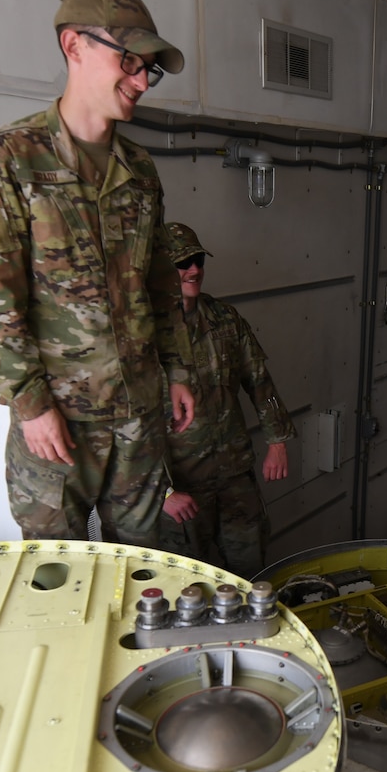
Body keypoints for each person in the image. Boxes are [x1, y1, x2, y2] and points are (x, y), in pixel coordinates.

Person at [0, 0, 196, 545]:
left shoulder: (138, 169)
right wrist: (31, 403)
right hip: (58, 420)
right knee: (57, 571)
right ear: (74, 45)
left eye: (149, 69)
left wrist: (178, 370)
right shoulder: (9, 157)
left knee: (138, 566)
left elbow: (160, 282)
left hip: (138, 412)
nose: (140, 81)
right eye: (130, 61)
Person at [157, 223, 297, 575]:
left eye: (199, 259)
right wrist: (161, 492)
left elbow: (259, 380)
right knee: (184, 581)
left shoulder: (225, 319)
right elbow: (131, 425)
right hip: (182, 486)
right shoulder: (145, 333)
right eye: (182, 262)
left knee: (249, 572)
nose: (194, 270)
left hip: (234, 474)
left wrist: (277, 441)